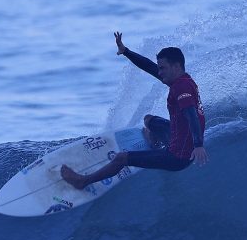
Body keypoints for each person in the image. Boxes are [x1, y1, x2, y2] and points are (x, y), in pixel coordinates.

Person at [60, 32, 208, 190]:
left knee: (121, 158)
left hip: (177, 157)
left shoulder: (180, 87)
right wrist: (125, 51)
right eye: (160, 68)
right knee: (148, 120)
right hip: (179, 137)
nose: (159, 72)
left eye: (163, 68)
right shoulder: (182, 79)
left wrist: (198, 145)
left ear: (176, 66)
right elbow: (150, 67)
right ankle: (156, 142)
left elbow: (191, 114)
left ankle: (82, 181)